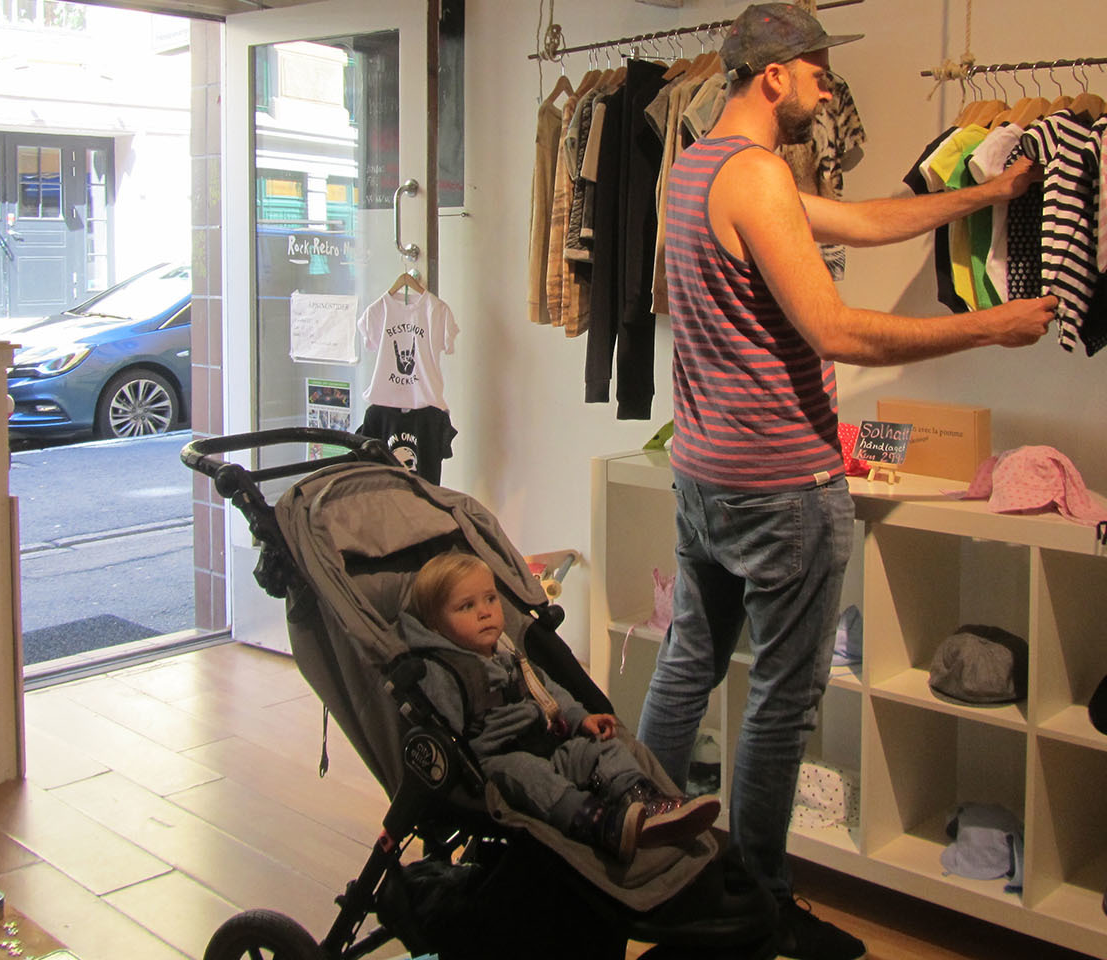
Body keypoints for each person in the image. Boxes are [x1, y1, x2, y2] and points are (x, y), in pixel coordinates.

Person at [633, 5, 1058, 958]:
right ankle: (760, 906)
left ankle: (635, 868)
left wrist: (978, 200)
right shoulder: (755, 176)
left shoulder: (703, 168)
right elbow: (836, 330)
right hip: (782, 487)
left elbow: (863, 220)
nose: (828, 89)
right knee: (783, 699)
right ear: (773, 76)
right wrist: (990, 327)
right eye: (818, 72)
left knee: (689, 665)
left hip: (705, 476)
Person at [404, 551, 720, 862]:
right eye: (466, 606)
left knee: (602, 748)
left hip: (548, 743)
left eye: (490, 599)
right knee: (530, 774)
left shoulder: (505, 651)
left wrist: (580, 718)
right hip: (498, 760)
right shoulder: (444, 671)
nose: (485, 612)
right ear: (435, 626)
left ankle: (644, 801)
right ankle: (600, 824)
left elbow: (549, 691)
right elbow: (444, 727)